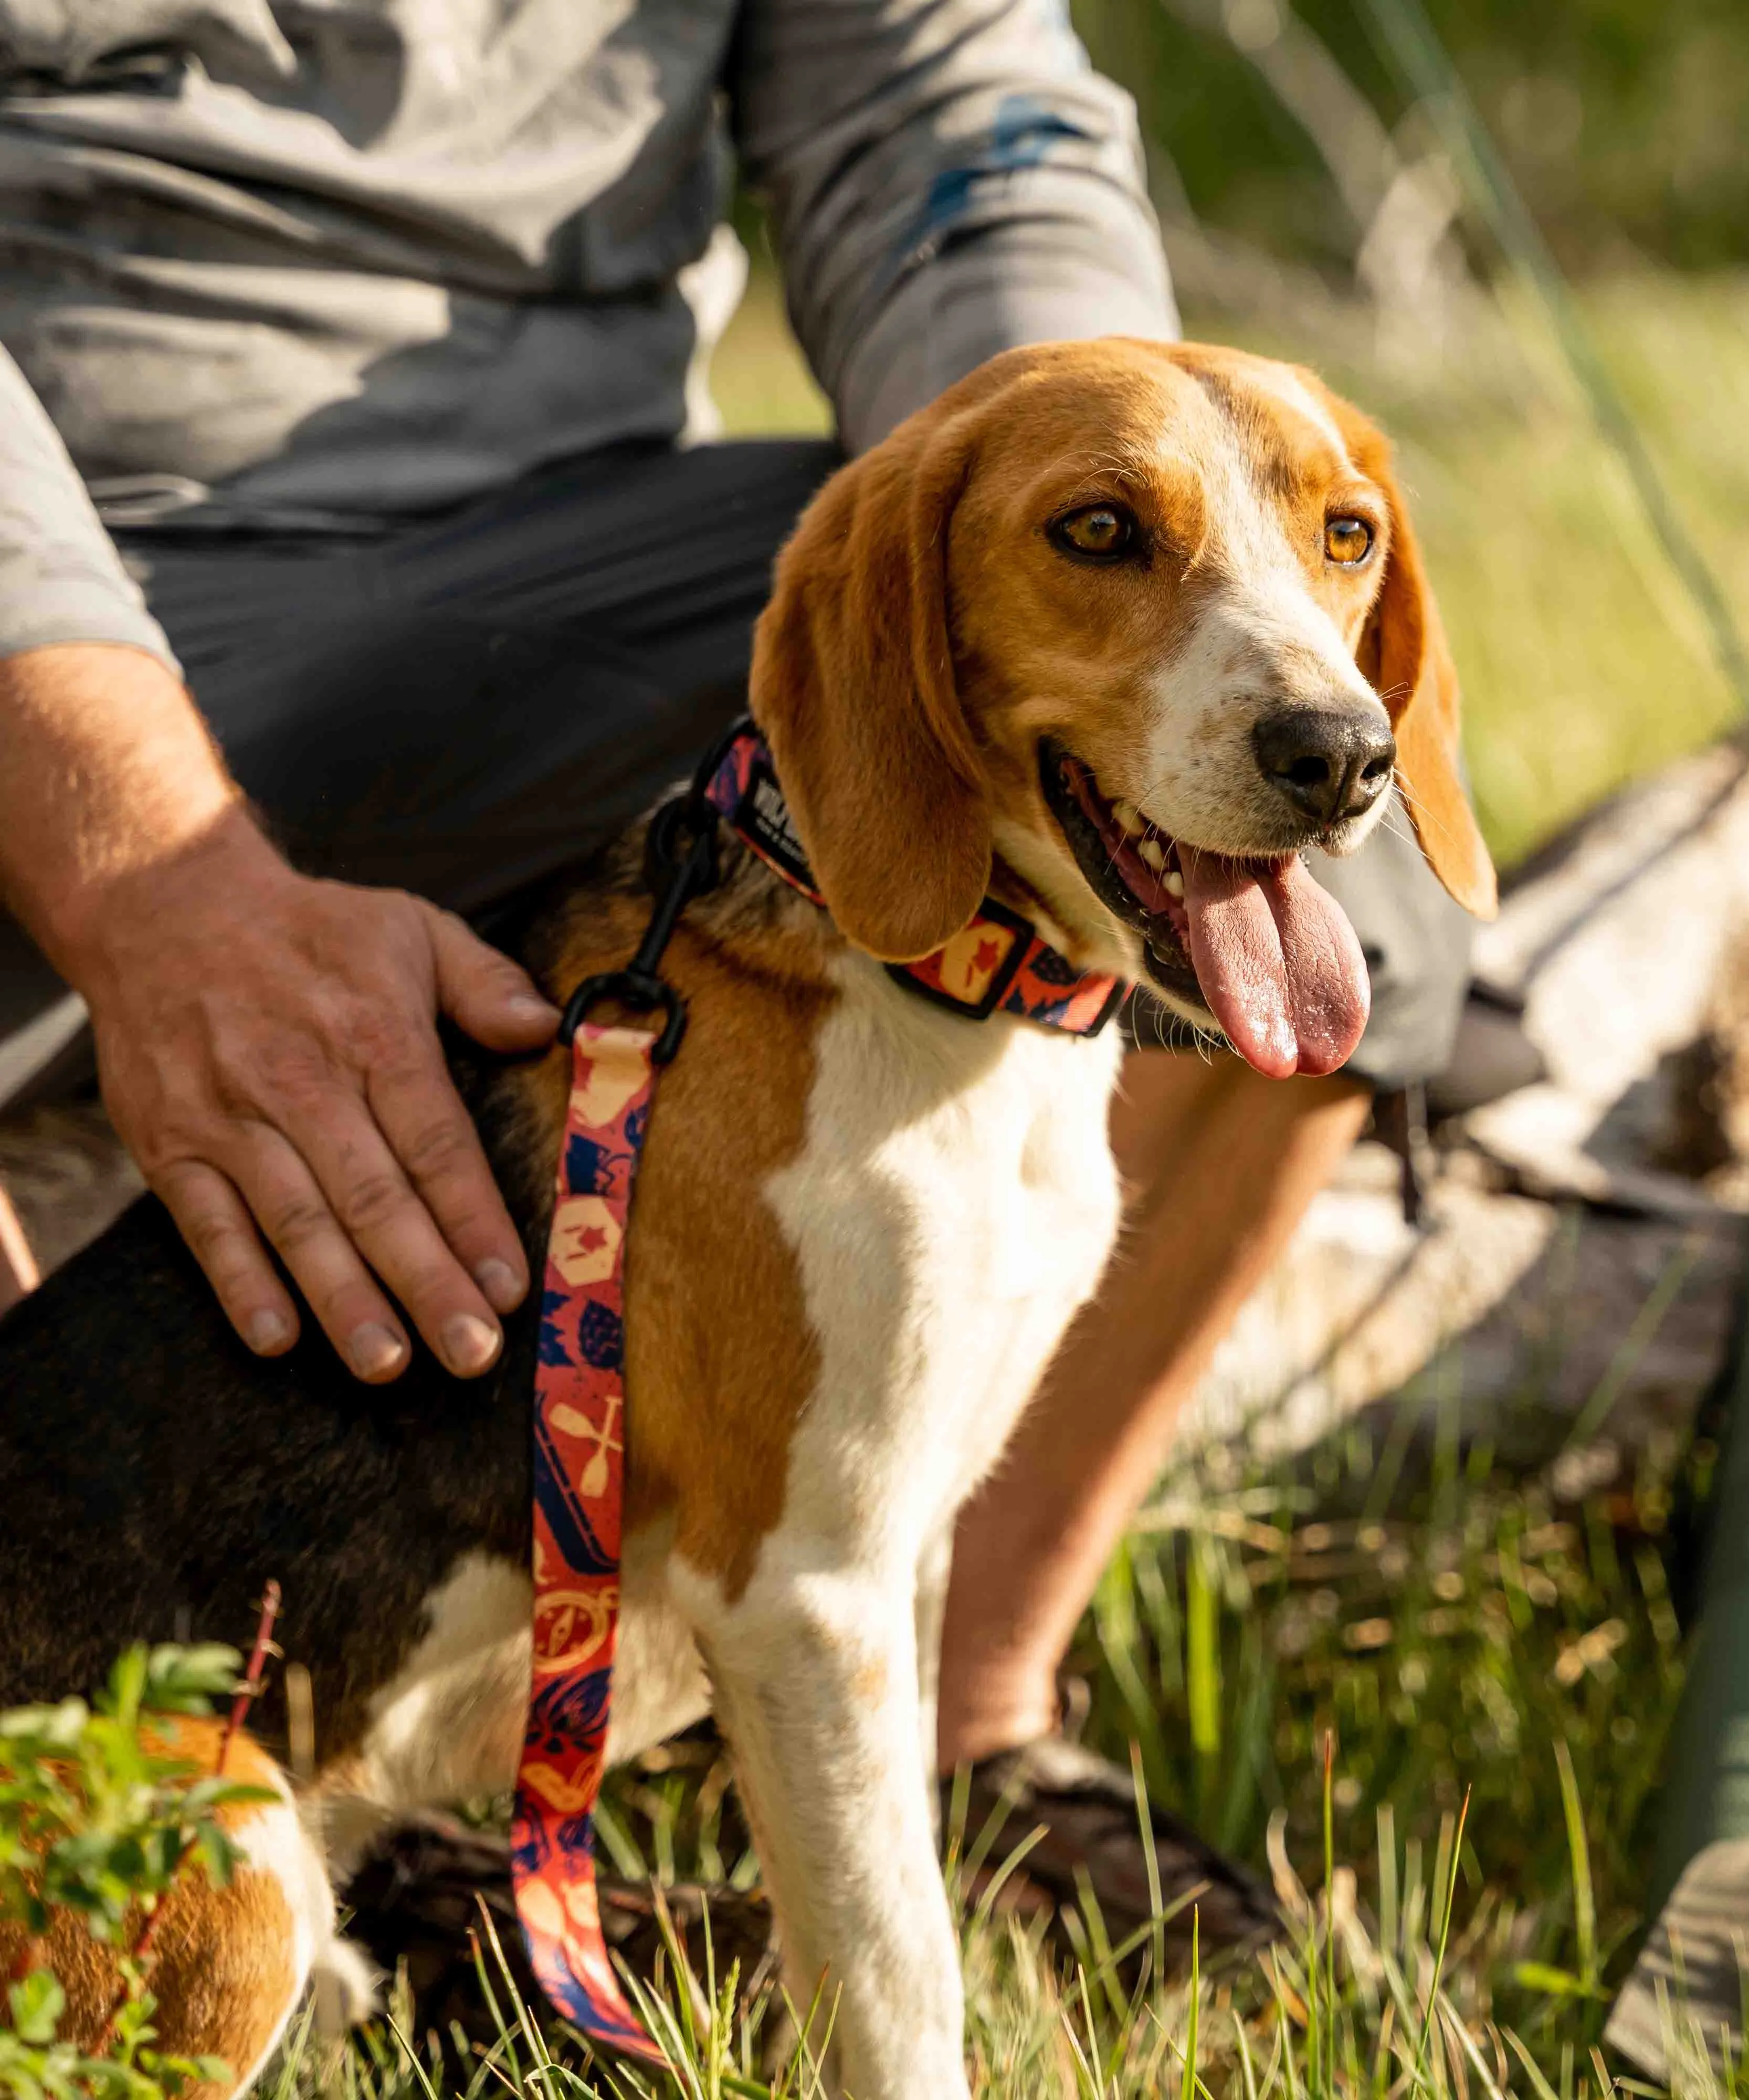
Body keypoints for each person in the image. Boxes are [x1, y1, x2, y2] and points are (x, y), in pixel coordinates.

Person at [0, 0, 1470, 1948]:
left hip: (573, 552)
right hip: (77, 548)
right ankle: (148, 1829)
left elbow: (939, 96)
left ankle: (955, 1740)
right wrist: (155, 884)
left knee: (1380, 915)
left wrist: (1075, 463)